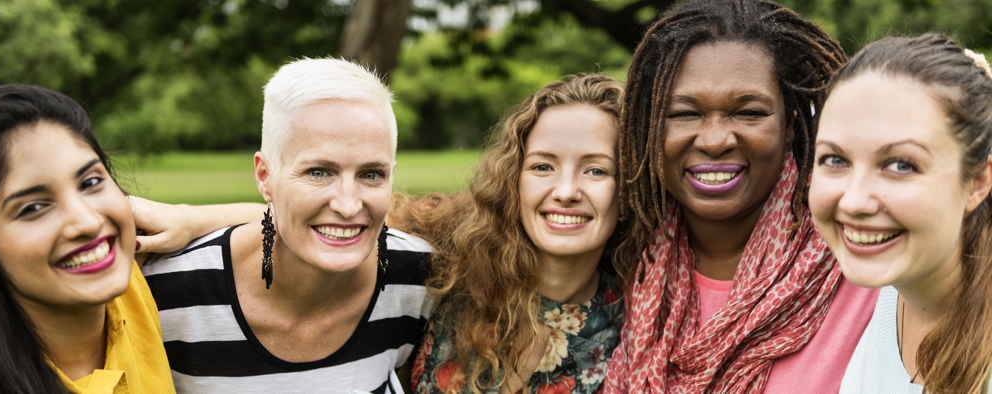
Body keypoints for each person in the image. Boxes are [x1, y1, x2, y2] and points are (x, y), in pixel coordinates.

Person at [603, 0, 879, 392]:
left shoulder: (864, 265)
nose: (716, 141)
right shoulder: (619, 259)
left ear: (790, 125)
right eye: (684, 114)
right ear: (649, 127)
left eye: (749, 113)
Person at [138, 58, 431, 393]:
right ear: (265, 176)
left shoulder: (419, 277)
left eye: (371, 174)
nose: (349, 205)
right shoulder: (167, 295)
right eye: (319, 172)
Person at [0, 85, 174, 393]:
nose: (88, 222)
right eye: (34, 207)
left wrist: (193, 218)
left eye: (90, 182)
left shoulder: (119, 270)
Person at [403, 74, 627, 393]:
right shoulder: (442, 266)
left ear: (629, 189)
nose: (565, 192)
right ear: (514, 180)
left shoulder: (640, 325)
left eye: (596, 170)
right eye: (542, 167)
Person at [809, 34, 992, 393]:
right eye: (835, 159)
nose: (854, 201)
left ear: (976, 183)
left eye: (901, 165)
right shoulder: (886, 296)